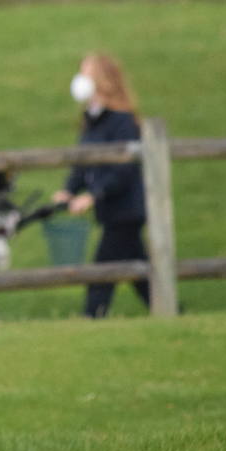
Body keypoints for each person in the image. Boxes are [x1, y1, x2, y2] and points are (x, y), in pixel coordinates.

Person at [53, 51, 151, 318]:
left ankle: (91, 318)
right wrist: (69, 190)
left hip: (126, 212)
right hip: (112, 213)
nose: (80, 79)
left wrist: (93, 196)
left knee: (102, 272)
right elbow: (83, 162)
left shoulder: (123, 121)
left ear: (102, 79)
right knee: (141, 274)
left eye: (86, 73)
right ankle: (172, 312)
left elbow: (123, 169)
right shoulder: (92, 120)